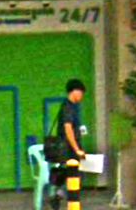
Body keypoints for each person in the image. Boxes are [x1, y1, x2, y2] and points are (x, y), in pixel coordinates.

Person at [49, 79, 87, 210]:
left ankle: (59, 196)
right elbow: (68, 128)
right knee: (77, 175)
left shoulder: (73, 107)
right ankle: (59, 197)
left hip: (71, 147)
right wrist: (76, 149)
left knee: (73, 175)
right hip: (69, 148)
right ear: (74, 91)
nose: (81, 97)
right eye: (81, 93)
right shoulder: (68, 107)